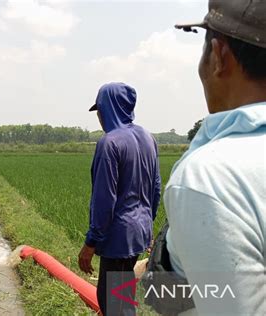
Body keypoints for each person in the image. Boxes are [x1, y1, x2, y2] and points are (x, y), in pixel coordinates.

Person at [165, 1, 266, 315]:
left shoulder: (209, 176)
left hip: (119, 245)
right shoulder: (143, 140)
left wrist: (92, 241)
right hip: (149, 243)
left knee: (116, 295)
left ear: (219, 56)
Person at [78, 82, 161, 316]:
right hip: (139, 232)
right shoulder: (148, 138)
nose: (100, 117)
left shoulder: (110, 143)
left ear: (109, 108)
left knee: (113, 304)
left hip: (117, 237)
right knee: (124, 300)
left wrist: (90, 242)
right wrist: (146, 223)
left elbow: (105, 200)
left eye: (100, 110)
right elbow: (155, 188)